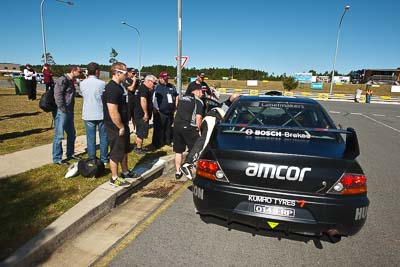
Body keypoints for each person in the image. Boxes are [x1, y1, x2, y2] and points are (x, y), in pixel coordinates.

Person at [180, 94, 241, 180]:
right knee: (205, 141)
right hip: (213, 118)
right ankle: (187, 164)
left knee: (208, 144)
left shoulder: (238, 111)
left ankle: (194, 164)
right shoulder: (228, 105)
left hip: (215, 122)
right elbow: (233, 97)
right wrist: (240, 96)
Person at [102, 62, 134, 187]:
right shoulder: (112, 88)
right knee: (116, 152)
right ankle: (114, 178)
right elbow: (113, 111)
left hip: (123, 124)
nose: (128, 75)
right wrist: (120, 127)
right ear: (117, 72)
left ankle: (125, 171)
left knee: (124, 149)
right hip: (115, 126)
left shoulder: (120, 87)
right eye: (126, 73)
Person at [80, 62, 109, 165]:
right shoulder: (102, 84)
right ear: (97, 72)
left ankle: (92, 158)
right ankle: (104, 158)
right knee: (103, 137)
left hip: (88, 113)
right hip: (100, 112)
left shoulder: (82, 83)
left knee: (90, 138)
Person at [52, 65, 81, 165]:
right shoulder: (62, 80)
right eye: (79, 71)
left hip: (69, 111)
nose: (80, 73)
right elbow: (58, 95)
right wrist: (63, 108)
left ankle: (70, 153)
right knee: (59, 135)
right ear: (73, 71)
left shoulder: (71, 81)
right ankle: (57, 158)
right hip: (62, 111)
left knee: (72, 134)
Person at [173, 87, 203, 179]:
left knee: (178, 151)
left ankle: (178, 172)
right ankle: (189, 167)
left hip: (177, 126)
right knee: (195, 150)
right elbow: (198, 117)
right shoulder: (198, 101)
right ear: (197, 91)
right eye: (202, 92)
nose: (202, 94)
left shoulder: (183, 98)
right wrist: (199, 130)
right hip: (189, 127)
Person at [152, 71, 178, 149]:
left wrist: (176, 105)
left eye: (167, 79)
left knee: (168, 127)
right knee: (159, 128)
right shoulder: (157, 87)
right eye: (164, 79)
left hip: (170, 111)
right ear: (160, 78)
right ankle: (158, 143)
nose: (166, 80)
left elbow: (176, 95)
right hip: (160, 112)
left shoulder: (171, 86)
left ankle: (168, 141)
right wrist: (154, 108)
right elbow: (153, 98)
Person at [133, 74, 158, 154]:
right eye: (154, 83)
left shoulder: (143, 88)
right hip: (141, 114)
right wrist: (146, 113)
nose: (154, 85)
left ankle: (137, 145)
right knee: (141, 132)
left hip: (139, 113)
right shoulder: (144, 89)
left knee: (140, 131)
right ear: (148, 81)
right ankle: (138, 149)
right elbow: (143, 100)